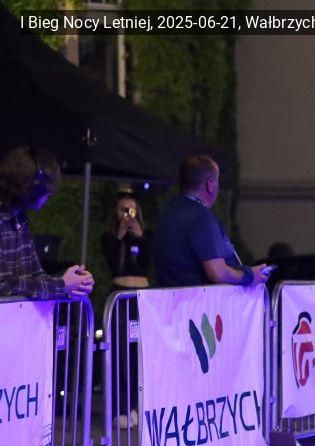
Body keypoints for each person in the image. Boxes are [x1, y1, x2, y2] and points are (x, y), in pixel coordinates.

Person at [153, 155, 269, 288]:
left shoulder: (166, 212)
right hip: (197, 300)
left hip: (166, 298)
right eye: (217, 181)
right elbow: (217, 273)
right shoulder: (202, 217)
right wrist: (249, 276)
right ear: (210, 185)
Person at [0, 146, 93, 300]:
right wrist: (62, 285)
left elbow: (34, 276)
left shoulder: (20, 219)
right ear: (30, 187)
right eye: (46, 191)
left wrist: (71, 283)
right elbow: (4, 286)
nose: (48, 196)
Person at [101, 192, 150, 428]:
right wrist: (120, 235)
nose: (128, 215)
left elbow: (148, 264)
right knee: (120, 352)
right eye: (123, 210)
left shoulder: (146, 235)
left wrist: (140, 237)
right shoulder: (109, 237)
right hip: (120, 293)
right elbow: (113, 264)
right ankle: (121, 408)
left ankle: (138, 406)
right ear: (116, 212)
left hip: (141, 295)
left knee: (139, 352)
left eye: (132, 210)